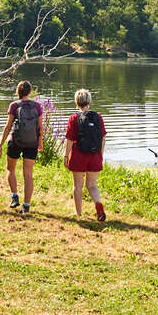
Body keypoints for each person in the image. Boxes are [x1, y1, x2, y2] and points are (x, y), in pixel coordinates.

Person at [0, 80, 43, 215]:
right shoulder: (37, 106)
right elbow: (40, 127)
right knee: (28, 174)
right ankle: (27, 205)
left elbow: (8, 126)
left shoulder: (14, 106)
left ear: (18, 91)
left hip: (15, 142)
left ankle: (14, 196)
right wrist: (40, 142)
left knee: (10, 168)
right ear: (29, 92)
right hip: (32, 143)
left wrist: (0, 144)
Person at [64, 88, 106, 221]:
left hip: (78, 155)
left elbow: (70, 139)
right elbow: (103, 138)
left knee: (78, 186)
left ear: (77, 102)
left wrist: (66, 156)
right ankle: (98, 203)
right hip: (95, 155)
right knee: (92, 185)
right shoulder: (98, 117)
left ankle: (78, 214)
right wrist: (100, 154)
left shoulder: (74, 118)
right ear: (89, 102)